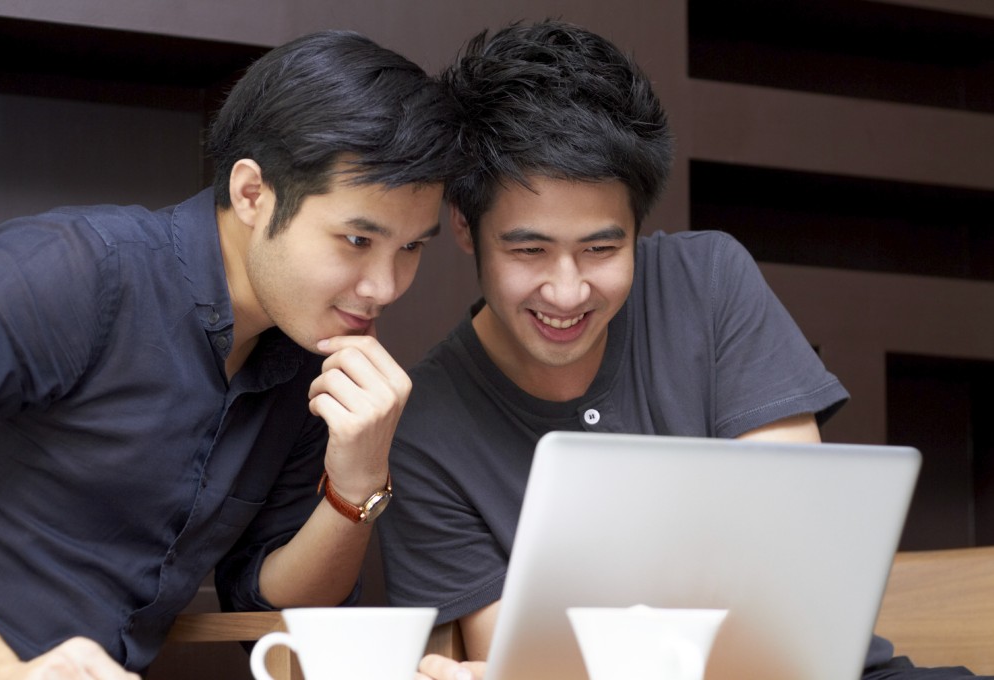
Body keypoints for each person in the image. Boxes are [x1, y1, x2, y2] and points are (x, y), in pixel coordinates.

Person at [374, 20, 984, 680]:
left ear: (638, 227)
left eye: (603, 249)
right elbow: (525, 667)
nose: (568, 290)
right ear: (465, 227)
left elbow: (794, 556)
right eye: (529, 251)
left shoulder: (708, 283)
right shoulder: (425, 425)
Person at [0, 30, 461, 679]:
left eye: (411, 248)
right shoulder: (76, 270)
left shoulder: (314, 361)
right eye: (356, 239)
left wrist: (355, 487)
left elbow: (275, 612)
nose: (386, 287)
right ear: (252, 193)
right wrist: (4, 669)